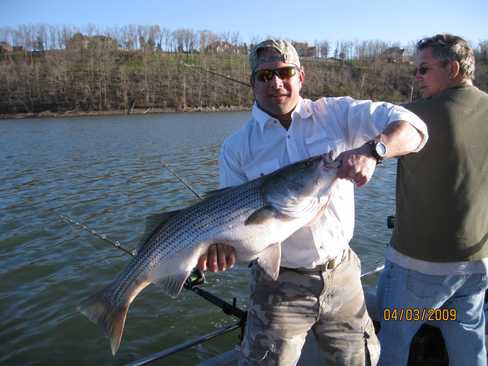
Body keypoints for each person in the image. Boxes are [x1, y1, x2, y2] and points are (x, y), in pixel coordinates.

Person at [197, 39, 428, 366]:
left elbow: (415, 128)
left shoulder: (338, 114)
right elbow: (238, 233)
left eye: (284, 72)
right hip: (277, 283)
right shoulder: (237, 148)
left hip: (343, 274)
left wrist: (375, 150)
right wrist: (221, 250)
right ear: (252, 83)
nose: (276, 82)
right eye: (264, 76)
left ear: (301, 77)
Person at [376, 33, 488, 366]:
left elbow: (360, 133)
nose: (417, 77)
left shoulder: (414, 116)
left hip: (418, 268)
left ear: (452, 68)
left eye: (423, 69)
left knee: (393, 341)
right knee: (469, 343)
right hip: (476, 264)